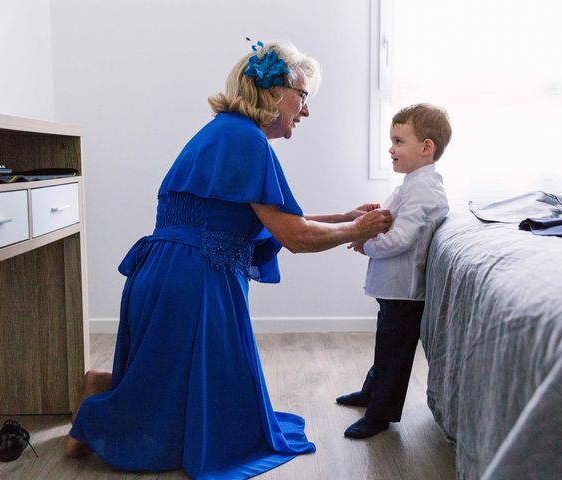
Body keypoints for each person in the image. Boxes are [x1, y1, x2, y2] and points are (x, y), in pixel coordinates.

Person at [65, 40, 392, 479]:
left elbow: (265, 217)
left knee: (197, 388)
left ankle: (105, 386)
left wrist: (344, 216)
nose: (307, 111)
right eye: (304, 96)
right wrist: (358, 231)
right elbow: (293, 236)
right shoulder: (245, 141)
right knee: (222, 409)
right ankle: (98, 418)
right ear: (275, 91)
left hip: (168, 274)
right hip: (194, 281)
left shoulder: (227, 132)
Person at [337, 103, 451, 439]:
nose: (391, 148)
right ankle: (371, 393)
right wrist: (372, 220)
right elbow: (392, 221)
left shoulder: (424, 188)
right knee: (386, 345)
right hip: (393, 287)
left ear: (426, 147)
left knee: (394, 352)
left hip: (405, 290)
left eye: (399, 141)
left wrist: (364, 244)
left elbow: (401, 238)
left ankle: (380, 414)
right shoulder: (411, 185)